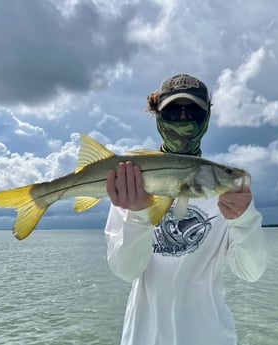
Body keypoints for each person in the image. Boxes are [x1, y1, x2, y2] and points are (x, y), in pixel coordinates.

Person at [104, 74, 268, 345]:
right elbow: (126, 270)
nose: (183, 118)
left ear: (206, 117)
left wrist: (245, 220)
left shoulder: (227, 193)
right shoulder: (131, 182)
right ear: (157, 114)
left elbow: (252, 271)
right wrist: (137, 216)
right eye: (172, 110)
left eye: (192, 110)